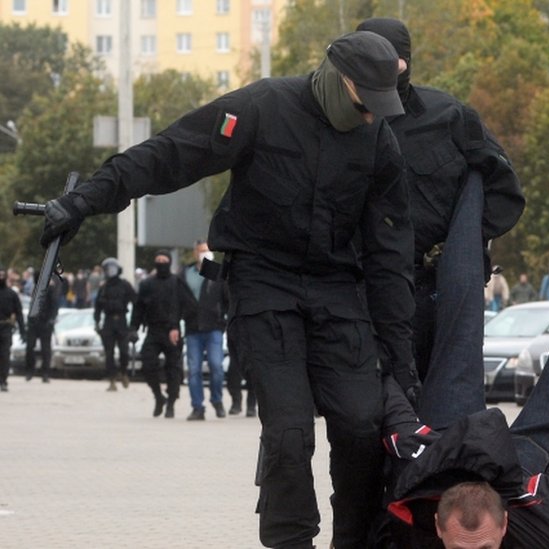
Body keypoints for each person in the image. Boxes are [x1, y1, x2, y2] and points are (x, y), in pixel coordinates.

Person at [38, 30, 415, 549]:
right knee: (289, 433)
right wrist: (84, 200)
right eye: (363, 104)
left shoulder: (379, 140)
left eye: (379, 108)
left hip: (336, 290)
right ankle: (291, 542)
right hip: (263, 285)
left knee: (361, 426)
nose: (370, 117)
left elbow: (390, 255)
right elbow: (170, 154)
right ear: (337, 79)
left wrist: (401, 360)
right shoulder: (260, 108)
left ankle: (355, 541)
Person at [355, 17, 524, 420]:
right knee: (363, 413)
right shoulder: (339, 122)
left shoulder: (449, 116)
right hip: (362, 291)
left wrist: (460, 247)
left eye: (389, 61)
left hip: (433, 292)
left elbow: (505, 192)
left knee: (440, 408)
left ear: (405, 62)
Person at [377, 343, 549, 548]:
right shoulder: (413, 516)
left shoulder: (545, 522)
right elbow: (395, 413)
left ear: (504, 524)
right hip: (450, 457)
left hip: (524, 471)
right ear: (438, 525)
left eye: (485, 548)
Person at [131, 250, 196, 418]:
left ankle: (171, 403)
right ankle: (159, 396)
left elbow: (189, 305)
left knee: (173, 370)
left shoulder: (177, 282)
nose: (161, 263)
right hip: (153, 331)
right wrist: (133, 328)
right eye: (158, 260)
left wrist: (177, 324)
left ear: (169, 262)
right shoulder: (147, 284)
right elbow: (138, 308)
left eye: (164, 260)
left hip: (172, 332)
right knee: (147, 363)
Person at [181, 240, 230, 421]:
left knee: (216, 366)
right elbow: (179, 298)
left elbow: (226, 298)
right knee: (194, 370)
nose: (205, 253)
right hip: (193, 328)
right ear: (195, 253)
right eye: (201, 250)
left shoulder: (216, 272)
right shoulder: (186, 273)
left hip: (213, 327)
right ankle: (197, 407)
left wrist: (225, 320)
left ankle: (217, 400)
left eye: (208, 250)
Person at [94, 257, 137, 391]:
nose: (110, 272)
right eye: (108, 269)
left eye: (113, 269)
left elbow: (136, 302)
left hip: (122, 321)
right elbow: (97, 307)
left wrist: (134, 325)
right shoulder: (104, 287)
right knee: (109, 353)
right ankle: (112, 380)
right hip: (108, 322)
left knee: (124, 351)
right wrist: (97, 322)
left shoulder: (125, 285)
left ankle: (123, 372)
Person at [24, 273, 60, 383]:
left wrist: (51, 319)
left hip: (45, 322)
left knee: (45, 350)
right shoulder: (36, 289)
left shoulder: (50, 289)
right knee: (30, 347)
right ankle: (30, 371)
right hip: (34, 323)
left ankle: (45, 373)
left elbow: (54, 306)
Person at [0, 264, 27, 392]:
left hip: (5, 327)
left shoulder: (11, 294)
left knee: (5, 355)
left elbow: (19, 313)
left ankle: (3, 381)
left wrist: (22, 331)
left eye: (2, 275)